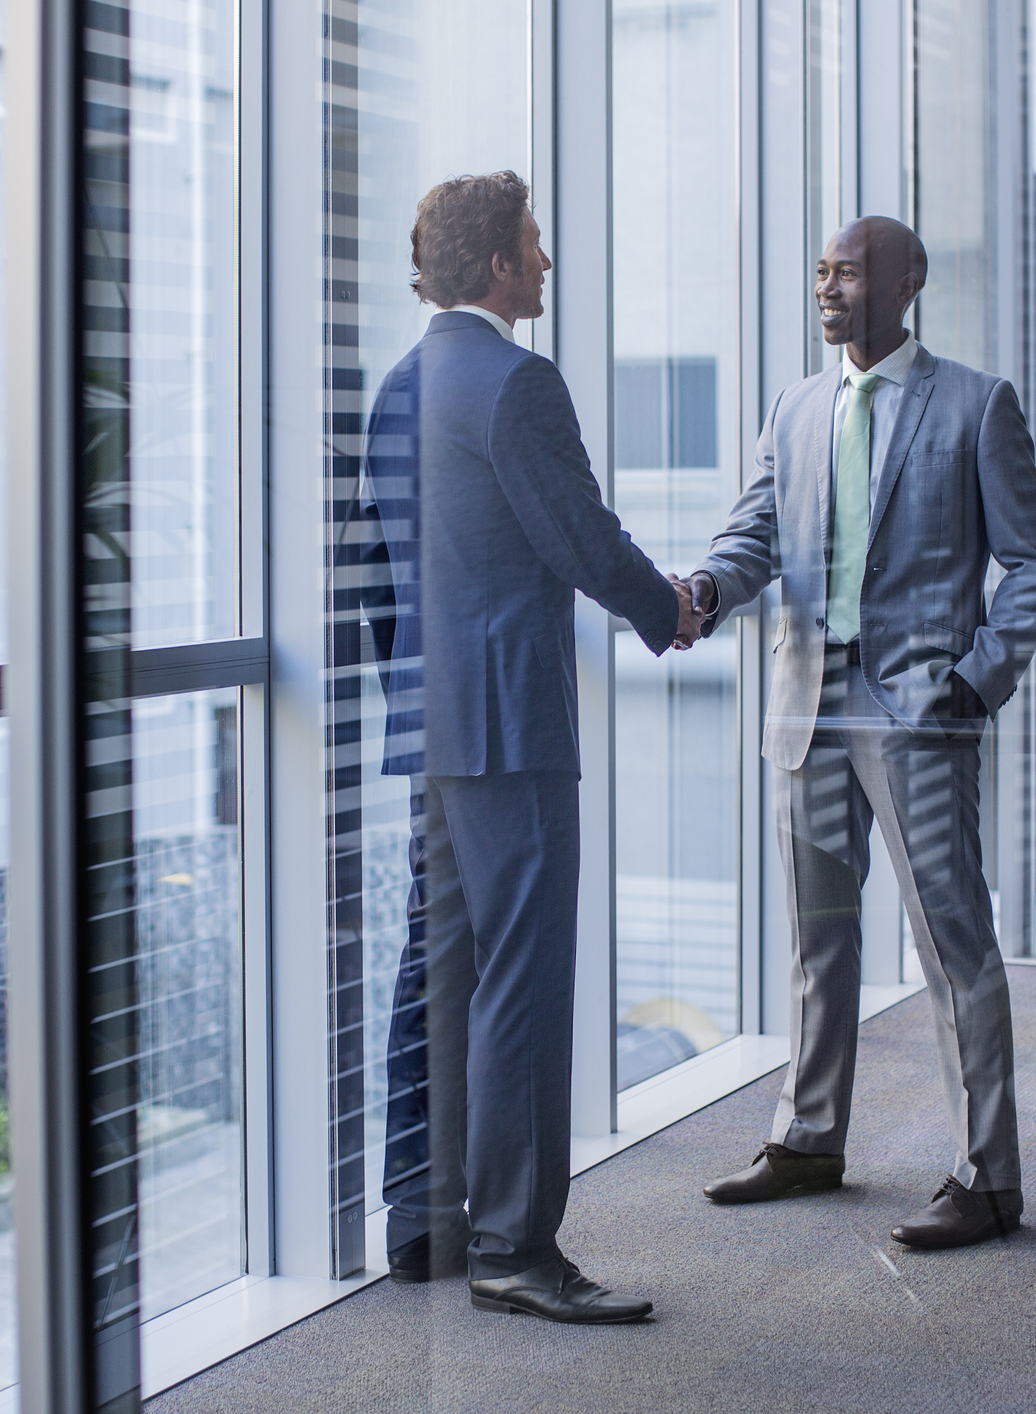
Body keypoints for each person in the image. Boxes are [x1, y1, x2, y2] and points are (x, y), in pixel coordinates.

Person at [678, 215, 1036, 1249]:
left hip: (916, 713)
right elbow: (755, 530)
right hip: (807, 699)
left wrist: (977, 681)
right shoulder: (798, 406)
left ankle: (989, 1176)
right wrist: (709, 587)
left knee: (953, 945)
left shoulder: (977, 406)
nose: (827, 286)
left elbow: (1034, 564)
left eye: (847, 270)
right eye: (821, 271)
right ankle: (809, 1137)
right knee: (818, 938)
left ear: (907, 281)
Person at [357, 171, 701, 1323]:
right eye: (535, 247)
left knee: (438, 972)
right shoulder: (516, 380)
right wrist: (671, 609)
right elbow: (581, 539)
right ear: (499, 264)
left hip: (434, 725)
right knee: (520, 983)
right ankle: (513, 1247)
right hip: (512, 727)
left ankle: (425, 1219)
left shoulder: (399, 387)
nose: (546, 265)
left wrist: (419, 686)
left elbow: (375, 579)